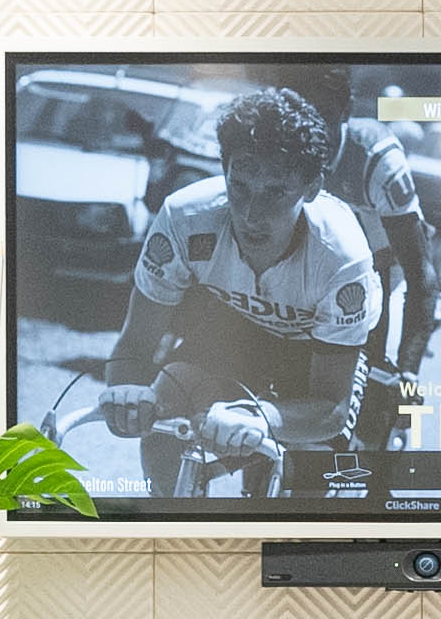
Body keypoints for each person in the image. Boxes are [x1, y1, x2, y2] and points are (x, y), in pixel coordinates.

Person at [98, 87, 377, 496]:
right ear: (223, 169)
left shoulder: (342, 257)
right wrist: (127, 397)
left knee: (307, 483)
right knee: (164, 420)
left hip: (314, 356)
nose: (251, 214)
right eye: (240, 185)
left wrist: (264, 417)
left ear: (312, 187)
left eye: (276, 192)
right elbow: (134, 346)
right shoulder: (184, 217)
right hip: (231, 335)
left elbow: (331, 409)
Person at [329, 94, 436, 379]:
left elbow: (420, 275)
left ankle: (395, 412)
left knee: (382, 372)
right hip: (333, 263)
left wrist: (408, 369)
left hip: (388, 260)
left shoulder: (379, 152)